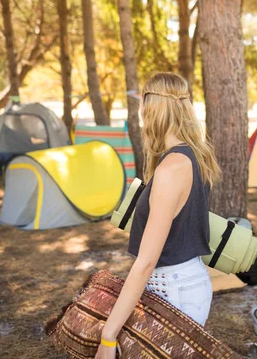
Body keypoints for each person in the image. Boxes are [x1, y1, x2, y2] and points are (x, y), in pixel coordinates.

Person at [95, 72, 221, 359]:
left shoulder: (171, 169)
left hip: (175, 290)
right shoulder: (192, 156)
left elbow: (146, 262)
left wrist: (108, 335)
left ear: (151, 107)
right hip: (181, 284)